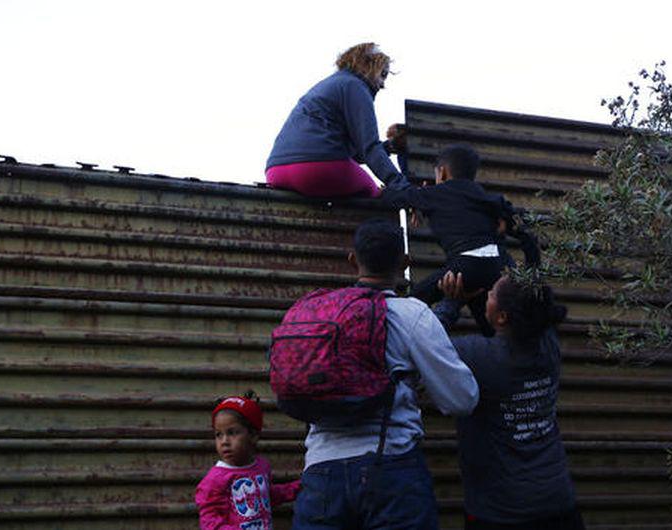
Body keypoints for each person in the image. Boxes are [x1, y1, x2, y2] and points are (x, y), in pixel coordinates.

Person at [291, 218, 479, 530]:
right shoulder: (413, 314)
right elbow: (462, 400)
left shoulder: (322, 313)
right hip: (391, 468)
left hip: (320, 475)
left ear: (353, 260)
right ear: (406, 263)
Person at [434, 271, 585, 530]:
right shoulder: (549, 345)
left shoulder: (477, 355)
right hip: (557, 502)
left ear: (502, 316)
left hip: (499, 511)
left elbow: (426, 341)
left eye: (491, 294)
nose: (487, 297)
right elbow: (532, 298)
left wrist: (452, 302)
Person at [381, 143, 540, 337]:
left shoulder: (433, 194)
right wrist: (531, 275)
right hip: (500, 264)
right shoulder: (490, 199)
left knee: (414, 300)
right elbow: (526, 233)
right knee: (493, 329)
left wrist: (408, 198)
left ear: (442, 172)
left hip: (465, 266)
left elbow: (395, 197)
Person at [265, 43, 405, 199]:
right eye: (383, 74)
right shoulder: (356, 86)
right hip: (316, 169)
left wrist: (388, 147)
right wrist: (401, 185)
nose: (382, 85)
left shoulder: (330, 85)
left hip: (276, 171)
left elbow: (352, 154)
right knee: (377, 197)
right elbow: (369, 148)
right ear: (369, 66)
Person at [194, 391, 301, 530]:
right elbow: (209, 521)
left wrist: (299, 487)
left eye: (232, 433)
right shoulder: (215, 479)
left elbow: (265, 496)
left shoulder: (262, 467)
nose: (224, 441)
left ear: (253, 435)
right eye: (218, 435)